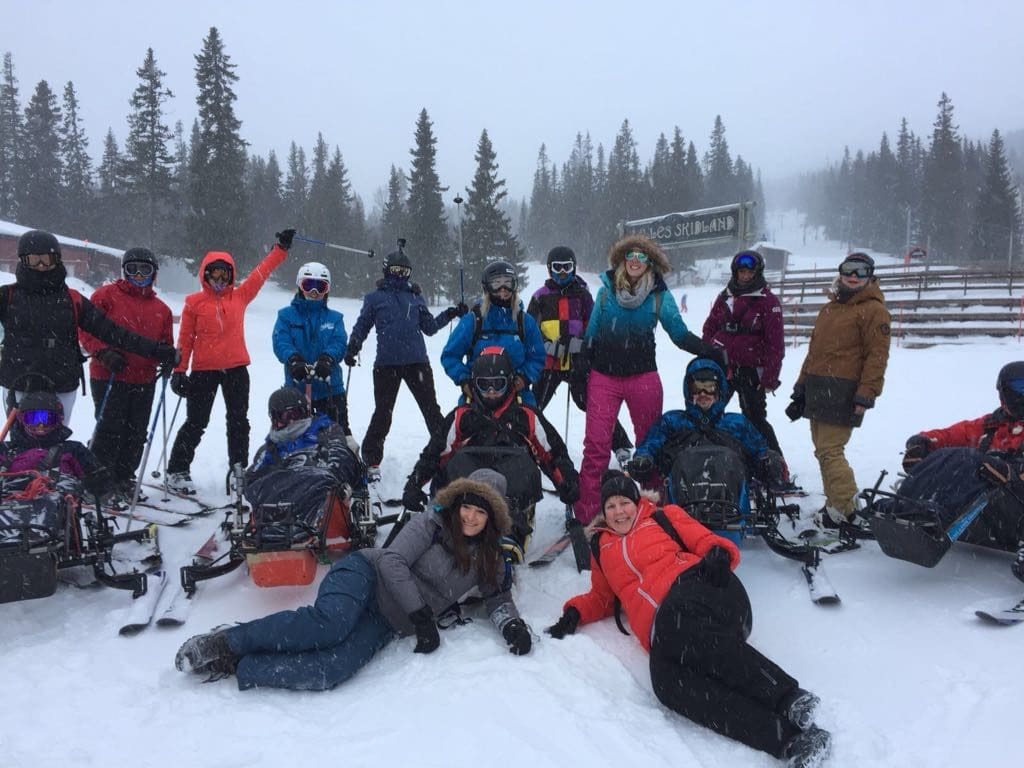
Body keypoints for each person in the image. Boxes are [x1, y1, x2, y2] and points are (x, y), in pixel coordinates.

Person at [545, 471, 831, 768]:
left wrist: (719, 556)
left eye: (624, 503)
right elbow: (602, 597)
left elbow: (710, 542)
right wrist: (575, 612)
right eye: (611, 506)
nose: (619, 512)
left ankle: (789, 697)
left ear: (637, 501)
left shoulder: (663, 517)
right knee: (666, 684)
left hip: (707, 589)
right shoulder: (600, 549)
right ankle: (789, 741)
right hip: (669, 633)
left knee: (678, 623)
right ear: (603, 512)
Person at [174, 470, 533, 691]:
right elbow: (392, 561)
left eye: (480, 512)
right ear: (456, 504)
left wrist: (512, 626)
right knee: (329, 625)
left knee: (331, 670)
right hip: (366, 575)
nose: (470, 517)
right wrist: (422, 615)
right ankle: (226, 641)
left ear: (492, 519)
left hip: (388, 620)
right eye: (466, 507)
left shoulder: (489, 559)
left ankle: (239, 665)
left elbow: (498, 598)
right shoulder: (431, 524)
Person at [576, 234, 725, 524]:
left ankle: (651, 512)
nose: (634, 261)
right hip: (604, 378)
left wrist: (708, 350)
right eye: (629, 256)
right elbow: (591, 335)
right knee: (595, 447)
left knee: (649, 446)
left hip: (643, 378)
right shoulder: (606, 292)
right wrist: (581, 369)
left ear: (650, 263)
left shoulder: (659, 296)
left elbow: (679, 334)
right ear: (621, 261)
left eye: (641, 257)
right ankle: (589, 515)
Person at [403, 345, 579, 561]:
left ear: (510, 383)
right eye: (484, 385)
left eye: (498, 384)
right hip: (469, 495)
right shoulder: (463, 417)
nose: (491, 391)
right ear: (474, 385)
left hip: (511, 495)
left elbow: (552, 453)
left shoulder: (525, 416)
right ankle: (454, 532)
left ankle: (511, 534)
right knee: (457, 467)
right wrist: (414, 484)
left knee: (519, 466)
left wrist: (567, 481)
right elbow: (434, 454)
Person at [165, 230, 292, 494]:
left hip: (236, 369)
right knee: (196, 422)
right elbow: (185, 339)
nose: (220, 280)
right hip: (203, 371)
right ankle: (177, 470)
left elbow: (260, 273)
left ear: (231, 276)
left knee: (238, 420)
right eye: (215, 274)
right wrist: (179, 370)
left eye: (225, 275)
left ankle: (238, 469)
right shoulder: (194, 303)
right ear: (205, 275)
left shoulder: (240, 296)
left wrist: (279, 250)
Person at [0, 230, 178, 417]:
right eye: (34, 260)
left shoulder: (72, 299)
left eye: (47, 259)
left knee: (56, 439)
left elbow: (113, 332)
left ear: (57, 260)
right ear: (23, 261)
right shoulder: (8, 296)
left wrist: (156, 349)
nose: (42, 266)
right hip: (19, 379)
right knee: (22, 440)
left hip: (61, 382)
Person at [785, 252, 890, 531]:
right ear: (840, 272)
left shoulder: (873, 310)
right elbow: (814, 352)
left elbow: (876, 357)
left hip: (843, 390)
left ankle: (845, 509)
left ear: (870, 276)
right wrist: (801, 385)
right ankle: (834, 505)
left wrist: (866, 394)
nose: (853, 276)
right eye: (848, 270)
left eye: (861, 272)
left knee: (831, 450)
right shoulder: (830, 309)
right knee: (822, 451)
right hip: (819, 387)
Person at [344, 245, 467, 481]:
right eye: (395, 270)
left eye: (404, 271)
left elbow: (429, 328)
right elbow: (362, 325)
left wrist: (451, 313)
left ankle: (446, 452)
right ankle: (372, 460)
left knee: (431, 410)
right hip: (386, 365)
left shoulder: (415, 297)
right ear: (386, 270)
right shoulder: (375, 298)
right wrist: (353, 347)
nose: (399, 275)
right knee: (383, 413)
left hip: (417, 363)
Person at [894, 361, 1024, 579]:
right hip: (993, 509)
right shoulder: (991, 426)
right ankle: (906, 508)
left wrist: (1011, 473)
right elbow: (951, 435)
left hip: (1017, 506)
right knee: (953, 457)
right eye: (1019, 387)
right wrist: (924, 442)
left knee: (969, 459)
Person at [78, 247, 174, 507]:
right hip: (110, 374)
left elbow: (165, 343)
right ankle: (99, 482)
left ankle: (123, 477)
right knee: (110, 430)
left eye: (146, 270)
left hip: (143, 378)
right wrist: (103, 353)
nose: (139, 275)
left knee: (136, 433)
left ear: (154, 274)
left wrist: (167, 359)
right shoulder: (105, 296)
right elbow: (85, 330)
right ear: (124, 271)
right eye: (133, 269)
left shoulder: (161, 309)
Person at [527, 245, 632, 467]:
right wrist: (546, 345)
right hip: (550, 362)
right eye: (557, 268)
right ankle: (524, 445)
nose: (562, 273)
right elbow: (529, 329)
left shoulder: (582, 294)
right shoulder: (540, 297)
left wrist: (581, 343)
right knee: (533, 406)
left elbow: (594, 325)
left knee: (593, 403)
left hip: (577, 361)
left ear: (574, 268)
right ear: (549, 269)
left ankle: (621, 445)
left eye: (567, 267)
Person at [627, 358, 785, 503]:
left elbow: (759, 449)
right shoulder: (672, 421)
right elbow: (650, 444)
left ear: (719, 391)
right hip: (683, 501)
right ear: (689, 391)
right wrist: (643, 458)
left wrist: (769, 461)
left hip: (730, 503)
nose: (703, 394)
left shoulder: (736, 423)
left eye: (709, 387)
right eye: (697, 388)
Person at [702, 250, 787, 459]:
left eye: (749, 272)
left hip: (752, 371)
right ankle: (711, 456)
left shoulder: (768, 301)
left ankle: (775, 464)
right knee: (709, 414)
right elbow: (709, 328)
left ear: (757, 272)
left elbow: (776, 345)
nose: (745, 276)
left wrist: (770, 378)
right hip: (724, 368)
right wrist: (708, 358)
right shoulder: (725, 297)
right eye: (741, 271)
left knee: (755, 418)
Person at [272, 261, 358, 455]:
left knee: (339, 433)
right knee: (294, 435)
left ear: (327, 290)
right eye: (308, 285)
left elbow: (338, 342)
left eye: (320, 287)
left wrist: (327, 359)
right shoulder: (286, 316)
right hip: (297, 389)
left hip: (330, 389)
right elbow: (281, 341)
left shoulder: (334, 318)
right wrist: (293, 359)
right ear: (299, 286)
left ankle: (346, 469)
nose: (313, 292)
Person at [441, 259, 545, 407]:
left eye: (507, 283)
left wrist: (524, 377)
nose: (503, 289)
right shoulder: (473, 321)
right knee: (456, 428)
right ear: (487, 288)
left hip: (517, 398)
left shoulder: (524, 321)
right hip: (478, 397)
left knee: (539, 429)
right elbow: (450, 355)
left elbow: (537, 357)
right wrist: (464, 380)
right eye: (496, 283)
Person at [0, 391, 115, 503]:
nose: (41, 425)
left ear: (58, 420)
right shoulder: (6, 450)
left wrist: (84, 489)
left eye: (48, 419)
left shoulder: (73, 450)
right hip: (9, 509)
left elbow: (101, 482)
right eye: (34, 419)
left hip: (57, 511)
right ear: (21, 419)